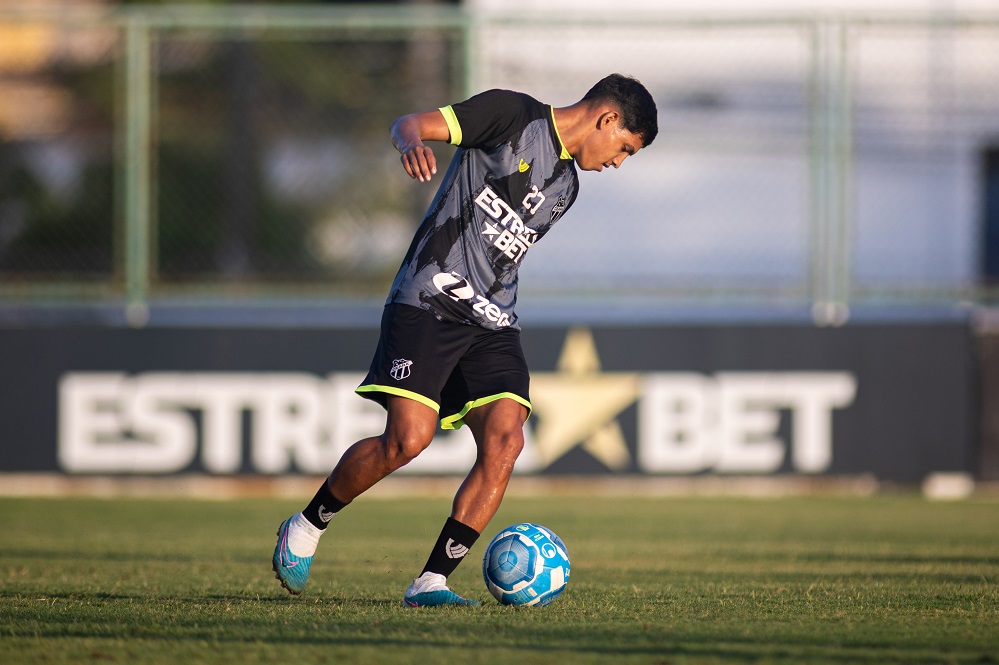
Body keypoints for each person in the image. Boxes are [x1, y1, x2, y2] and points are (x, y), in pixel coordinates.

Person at [272, 73, 658, 607]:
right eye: (625, 149)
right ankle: (309, 525)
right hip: (429, 299)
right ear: (608, 119)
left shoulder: (566, 188)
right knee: (407, 441)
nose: (618, 162)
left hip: (493, 322)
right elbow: (409, 123)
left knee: (507, 439)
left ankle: (431, 582)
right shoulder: (512, 116)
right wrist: (411, 141)